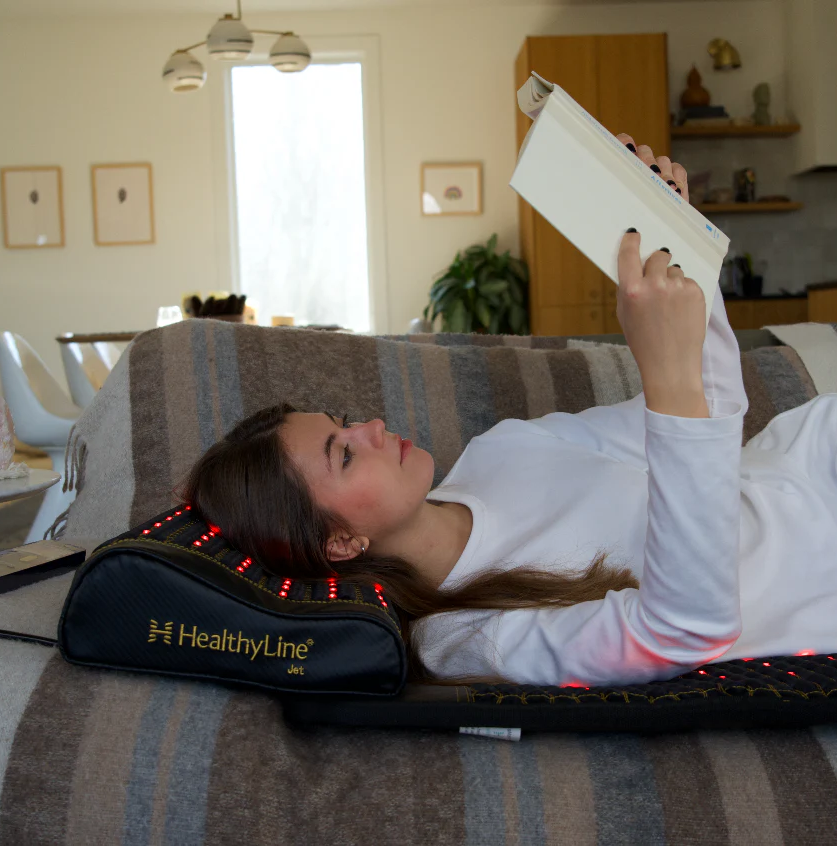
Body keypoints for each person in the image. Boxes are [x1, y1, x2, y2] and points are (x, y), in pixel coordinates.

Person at [179, 135, 837, 689]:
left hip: (805, 460)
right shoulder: (464, 636)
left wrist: (671, 244)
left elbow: (710, 408)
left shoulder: (502, 450)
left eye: (344, 422)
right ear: (341, 543)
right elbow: (680, 633)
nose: (371, 427)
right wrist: (662, 376)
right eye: (343, 452)